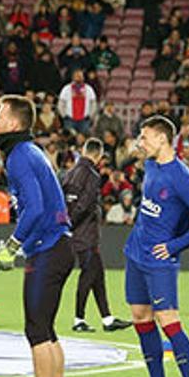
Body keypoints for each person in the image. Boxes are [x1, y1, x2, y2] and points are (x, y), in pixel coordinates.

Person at [0, 95, 75, 377]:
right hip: (60, 246)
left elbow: (34, 209)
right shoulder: (31, 152)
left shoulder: (19, 155)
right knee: (47, 330)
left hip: (48, 248)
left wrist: (10, 247)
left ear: (14, 122)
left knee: (36, 329)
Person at [121, 116, 189, 377]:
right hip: (136, 253)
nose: (141, 141)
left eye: (146, 136)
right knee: (140, 315)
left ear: (162, 139)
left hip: (159, 261)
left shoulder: (180, 176)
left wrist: (175, 246)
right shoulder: (150, 166)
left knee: (169, 322)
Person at [62, 138, 131, 333]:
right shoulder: (91, 175)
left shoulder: (69, 173)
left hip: (75, 232)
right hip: (86, 233)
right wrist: (72, 223)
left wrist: (66, 224)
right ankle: (78, 319)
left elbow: (65, 202)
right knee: (89, 274)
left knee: (97, 275)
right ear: (98, 155)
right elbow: (84, 204)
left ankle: (107, 319)